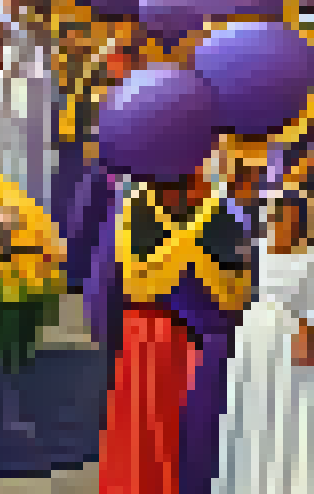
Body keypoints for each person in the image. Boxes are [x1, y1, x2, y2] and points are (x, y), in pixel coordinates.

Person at [90, 164, 249, 494]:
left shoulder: (133, 208)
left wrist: (108, 335)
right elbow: (241, 294)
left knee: (151, 443)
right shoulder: (222, 214)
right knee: (183, 444)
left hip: (154, 344)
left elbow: (106, 286)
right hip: (187, 346)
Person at [215, 188, 314, 493]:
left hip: (291, 342)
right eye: (275, 216)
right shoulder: (259, 250)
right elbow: (245, 292)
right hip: (256, 341)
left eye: (287, 216)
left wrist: (306, 340)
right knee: (255, 414)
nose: (279, 223)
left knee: (290, 416)